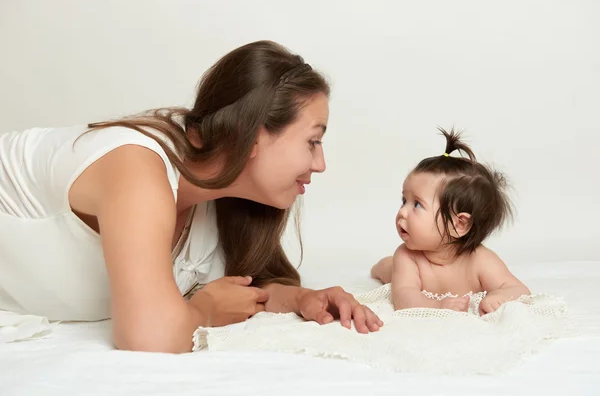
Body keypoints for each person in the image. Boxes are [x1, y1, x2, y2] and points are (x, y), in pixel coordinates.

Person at [0, 40, 382, 353]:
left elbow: (241, 289)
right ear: (253, 135)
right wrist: (202, 312)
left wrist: (302, 300)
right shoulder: (138, 168)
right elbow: (148, 338)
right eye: (313, 141)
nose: (321, 164)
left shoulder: (216, 198)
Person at [371, 128, 530, 316]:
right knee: (387, 269)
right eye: (404, 201)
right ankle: (382, 266)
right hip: (398, 270)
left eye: (417, 205)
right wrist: (437, 306)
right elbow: (404, 298)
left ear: (460, 224)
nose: (402, 212)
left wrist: (500, 296)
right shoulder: (407, 256)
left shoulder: (480, 259)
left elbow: (519, 290)